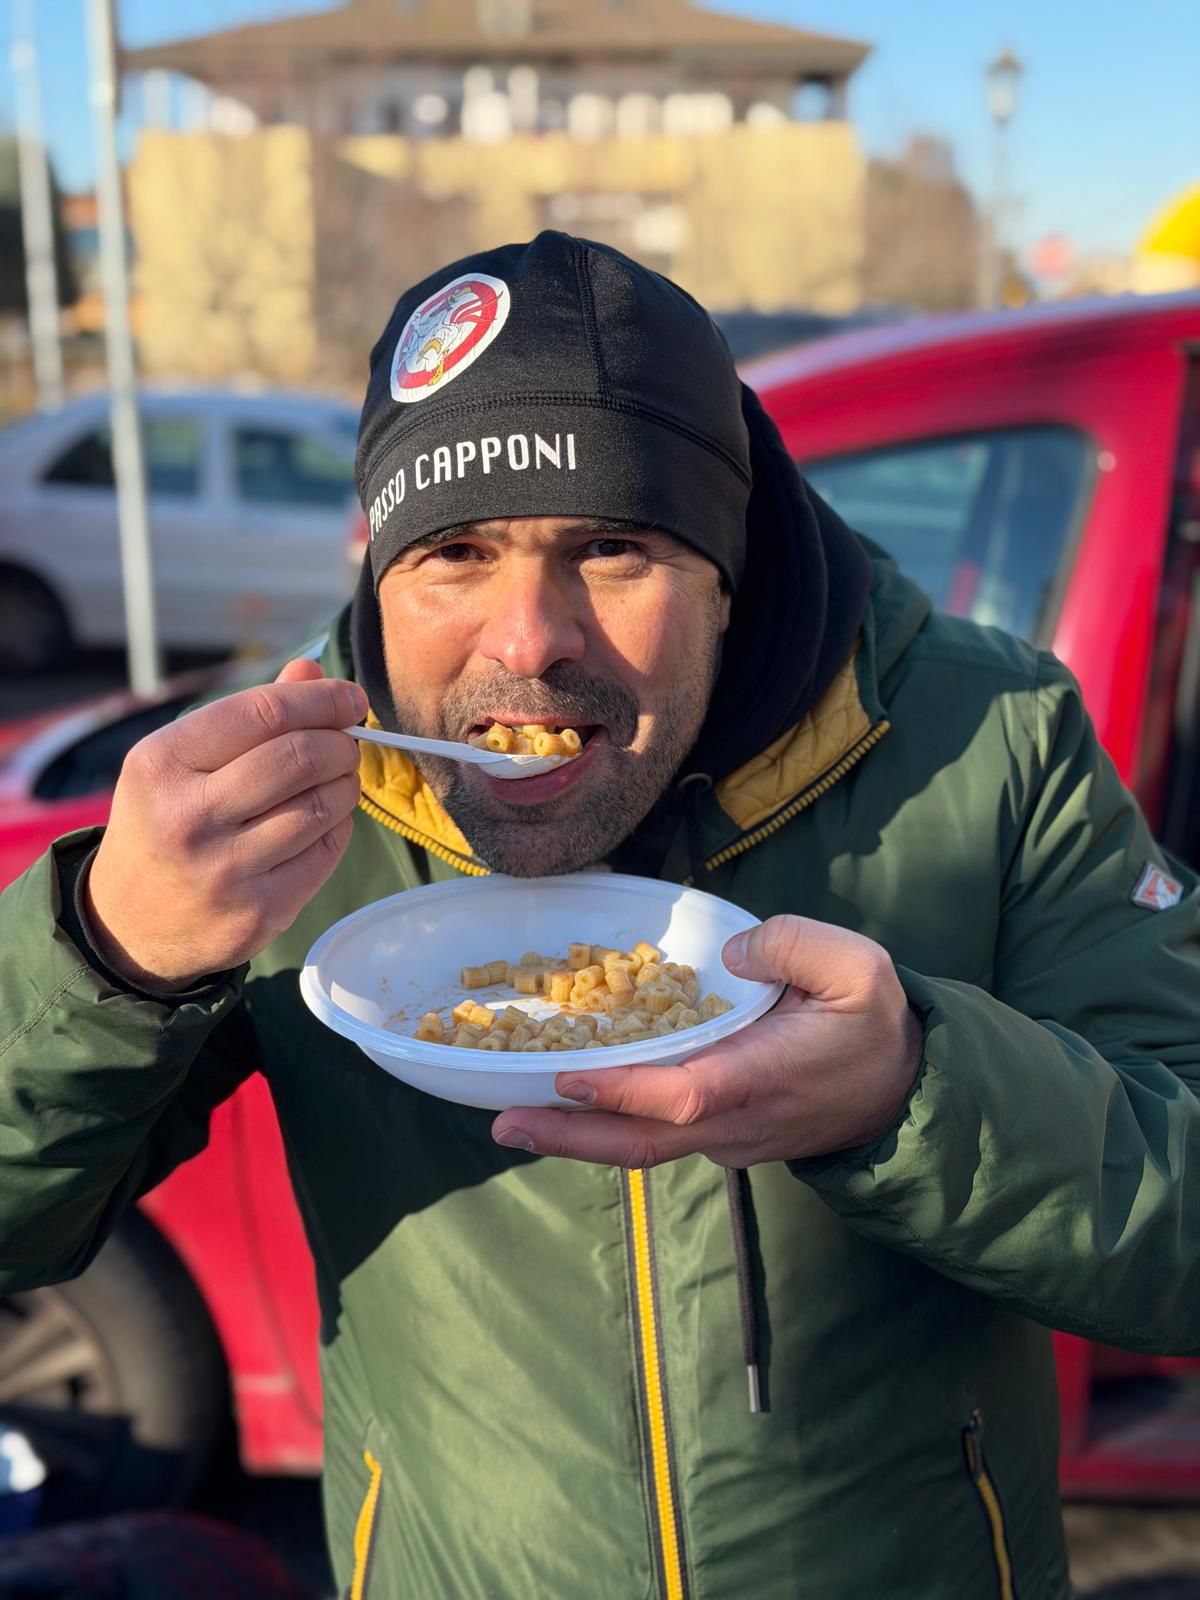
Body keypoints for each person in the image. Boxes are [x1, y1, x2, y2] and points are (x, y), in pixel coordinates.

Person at [1, 232, 1198, 1600]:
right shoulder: (277, 822)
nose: (529, 639)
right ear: (376, 571)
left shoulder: (993, 738)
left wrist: (914, 1093)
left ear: (726, 572)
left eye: (614, 547)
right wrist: (108, 957)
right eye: (454, 553)